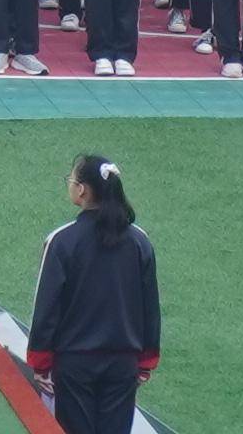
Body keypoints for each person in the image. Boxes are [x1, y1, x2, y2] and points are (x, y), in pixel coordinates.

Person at [26, 155, 162, 434]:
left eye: (71, 180)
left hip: (75, 365)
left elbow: (47, 306)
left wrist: (40, 362)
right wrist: (147, 360)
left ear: (82, 190)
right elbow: (150, 305)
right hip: (123, 365)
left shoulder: (62, 240)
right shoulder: (139, 241)